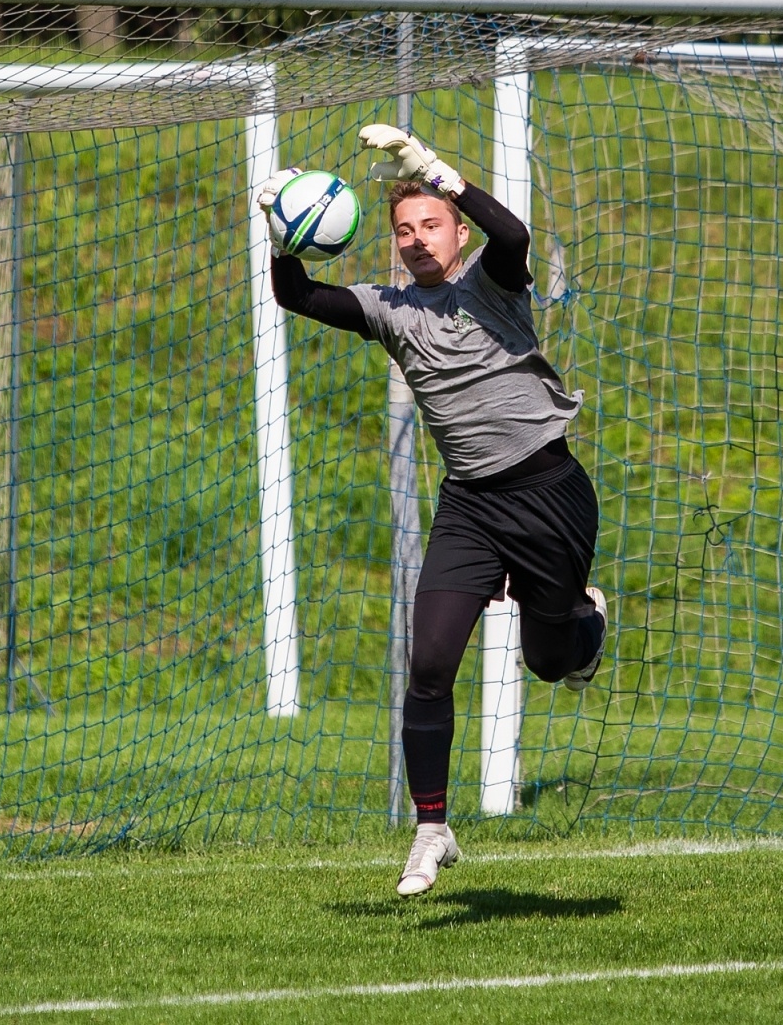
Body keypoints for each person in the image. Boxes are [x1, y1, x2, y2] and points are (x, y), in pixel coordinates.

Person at [257, 125, 607, 898]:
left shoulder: (493, 280)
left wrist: (436, 173)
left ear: (455, 230)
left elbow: (512, 231)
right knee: (429, 665)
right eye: (404, 230)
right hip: (471, 508)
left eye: (431, 225)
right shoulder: (388, 310)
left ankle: (586, 619)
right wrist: (280, 225)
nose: (417, 240)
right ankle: (431, 829)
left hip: (549, 494)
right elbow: (293, 293)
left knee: (551, 661)